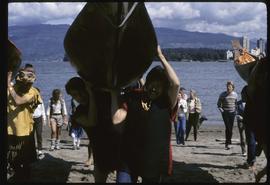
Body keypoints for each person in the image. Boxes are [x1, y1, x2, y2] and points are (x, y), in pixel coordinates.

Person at [114, 45, 180, 183]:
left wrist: (160, 56)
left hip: (154, 161)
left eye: (159, 85)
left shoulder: (166, 103)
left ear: (164, 88)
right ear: (147, 83)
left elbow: (176, 84)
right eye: (152, 83)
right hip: (129, 158)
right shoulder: (133, 96)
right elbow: (117, 119)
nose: (154, 88)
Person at [7, 68, 42, 182]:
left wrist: (9, 85)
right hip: (10, 130)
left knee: (26, 159)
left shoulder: (32, 92)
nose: (25, 78)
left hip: (25, 131)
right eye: (22, 75)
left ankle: (26, 177)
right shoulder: (12, 88)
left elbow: (19, 101)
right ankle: (18, 176)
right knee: (13, 157)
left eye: (29, 76)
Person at [217, 81, 238, 150]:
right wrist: (222, 111)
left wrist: (236, 111)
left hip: (232, 113)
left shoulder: (235, 95)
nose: (228, 88)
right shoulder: (223, 94)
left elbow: (236, 104)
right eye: (227, 87)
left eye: (230, 87)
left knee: (230, 128)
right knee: (228, 127)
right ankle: (227, 143)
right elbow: (218, 104)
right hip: (225, 113)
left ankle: (229, 141)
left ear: (232, 88)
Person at [32, 87, 47, 157]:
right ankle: (32, 150)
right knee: (30, 135)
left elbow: (43, 109)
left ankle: (40, 150)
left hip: (39, 118)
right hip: (31, 119)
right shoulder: (30, 100)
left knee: (39, 134)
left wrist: (44, 119)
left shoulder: (40, 100)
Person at [236, 86, 247, 156]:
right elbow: (235, 112)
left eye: (244, 94)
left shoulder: (251, 102)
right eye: (242, 94)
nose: (243, 95)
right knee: (242, 136)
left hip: (249, 121)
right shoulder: (238, 103)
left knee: (251, 137)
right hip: (240, 121)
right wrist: (238, 116)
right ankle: (244, 151)